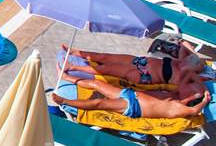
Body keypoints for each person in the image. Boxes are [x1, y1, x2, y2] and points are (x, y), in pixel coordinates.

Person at [59, 42, 210, 99]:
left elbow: (194, 74)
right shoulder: (183, 63)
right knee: (106, 57)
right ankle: (75, 52)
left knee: (106, 69)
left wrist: (197, 68)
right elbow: (184, 46)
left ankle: (72, 67)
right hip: (141, 61)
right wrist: (191, 51)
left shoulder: (185, 75)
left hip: (144, 75)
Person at [53, 74, 210, 120]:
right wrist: (203, 88)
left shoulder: (178, 107)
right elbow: (189, 75)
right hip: (130, 94)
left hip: (133, 107)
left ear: (191, 99)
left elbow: (195, 111)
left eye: (191, 91)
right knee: (96, 84)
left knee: (99, 103)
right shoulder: (175, 94)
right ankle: (67, 77)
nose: (187, 88)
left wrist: (205, 100)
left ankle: (65, 101)